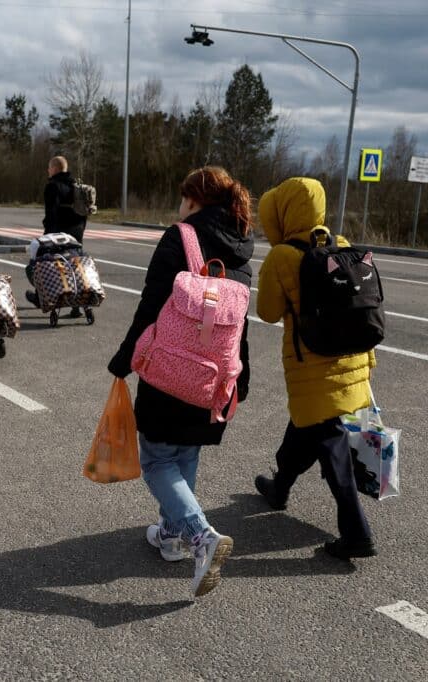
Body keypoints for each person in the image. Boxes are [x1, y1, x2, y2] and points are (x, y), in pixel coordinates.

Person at [108, 166, 254, 597]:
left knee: (155, 461)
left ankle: (200, 535)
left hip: (169, 369)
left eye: (181, 197)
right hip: (214, 376)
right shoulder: (244, 247)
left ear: (193, 199)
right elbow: (240, 324)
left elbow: (151, 305)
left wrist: (124, 358)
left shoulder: (181, 236)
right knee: (185, 452)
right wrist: (241, 377)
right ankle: (171, 537)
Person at [252, 177, 377, 561]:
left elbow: (267, 312)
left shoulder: (282, 256)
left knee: (329, 443)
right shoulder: (340, 246)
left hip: (313, 368)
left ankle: (357, 533)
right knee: (304, 430)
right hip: (353, 362)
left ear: (282, 211)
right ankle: (279, 487)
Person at [26, 155, 88, 317]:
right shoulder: (76, 185)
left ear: (54, 168)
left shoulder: (52, 186)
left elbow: (51, 213)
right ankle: (77, 305)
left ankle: (41, 298)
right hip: (77, 233)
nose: (48, 170)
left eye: (49, 167)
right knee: (75, 266)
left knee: (44, 264)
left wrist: (47, 235)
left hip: (58, 233)